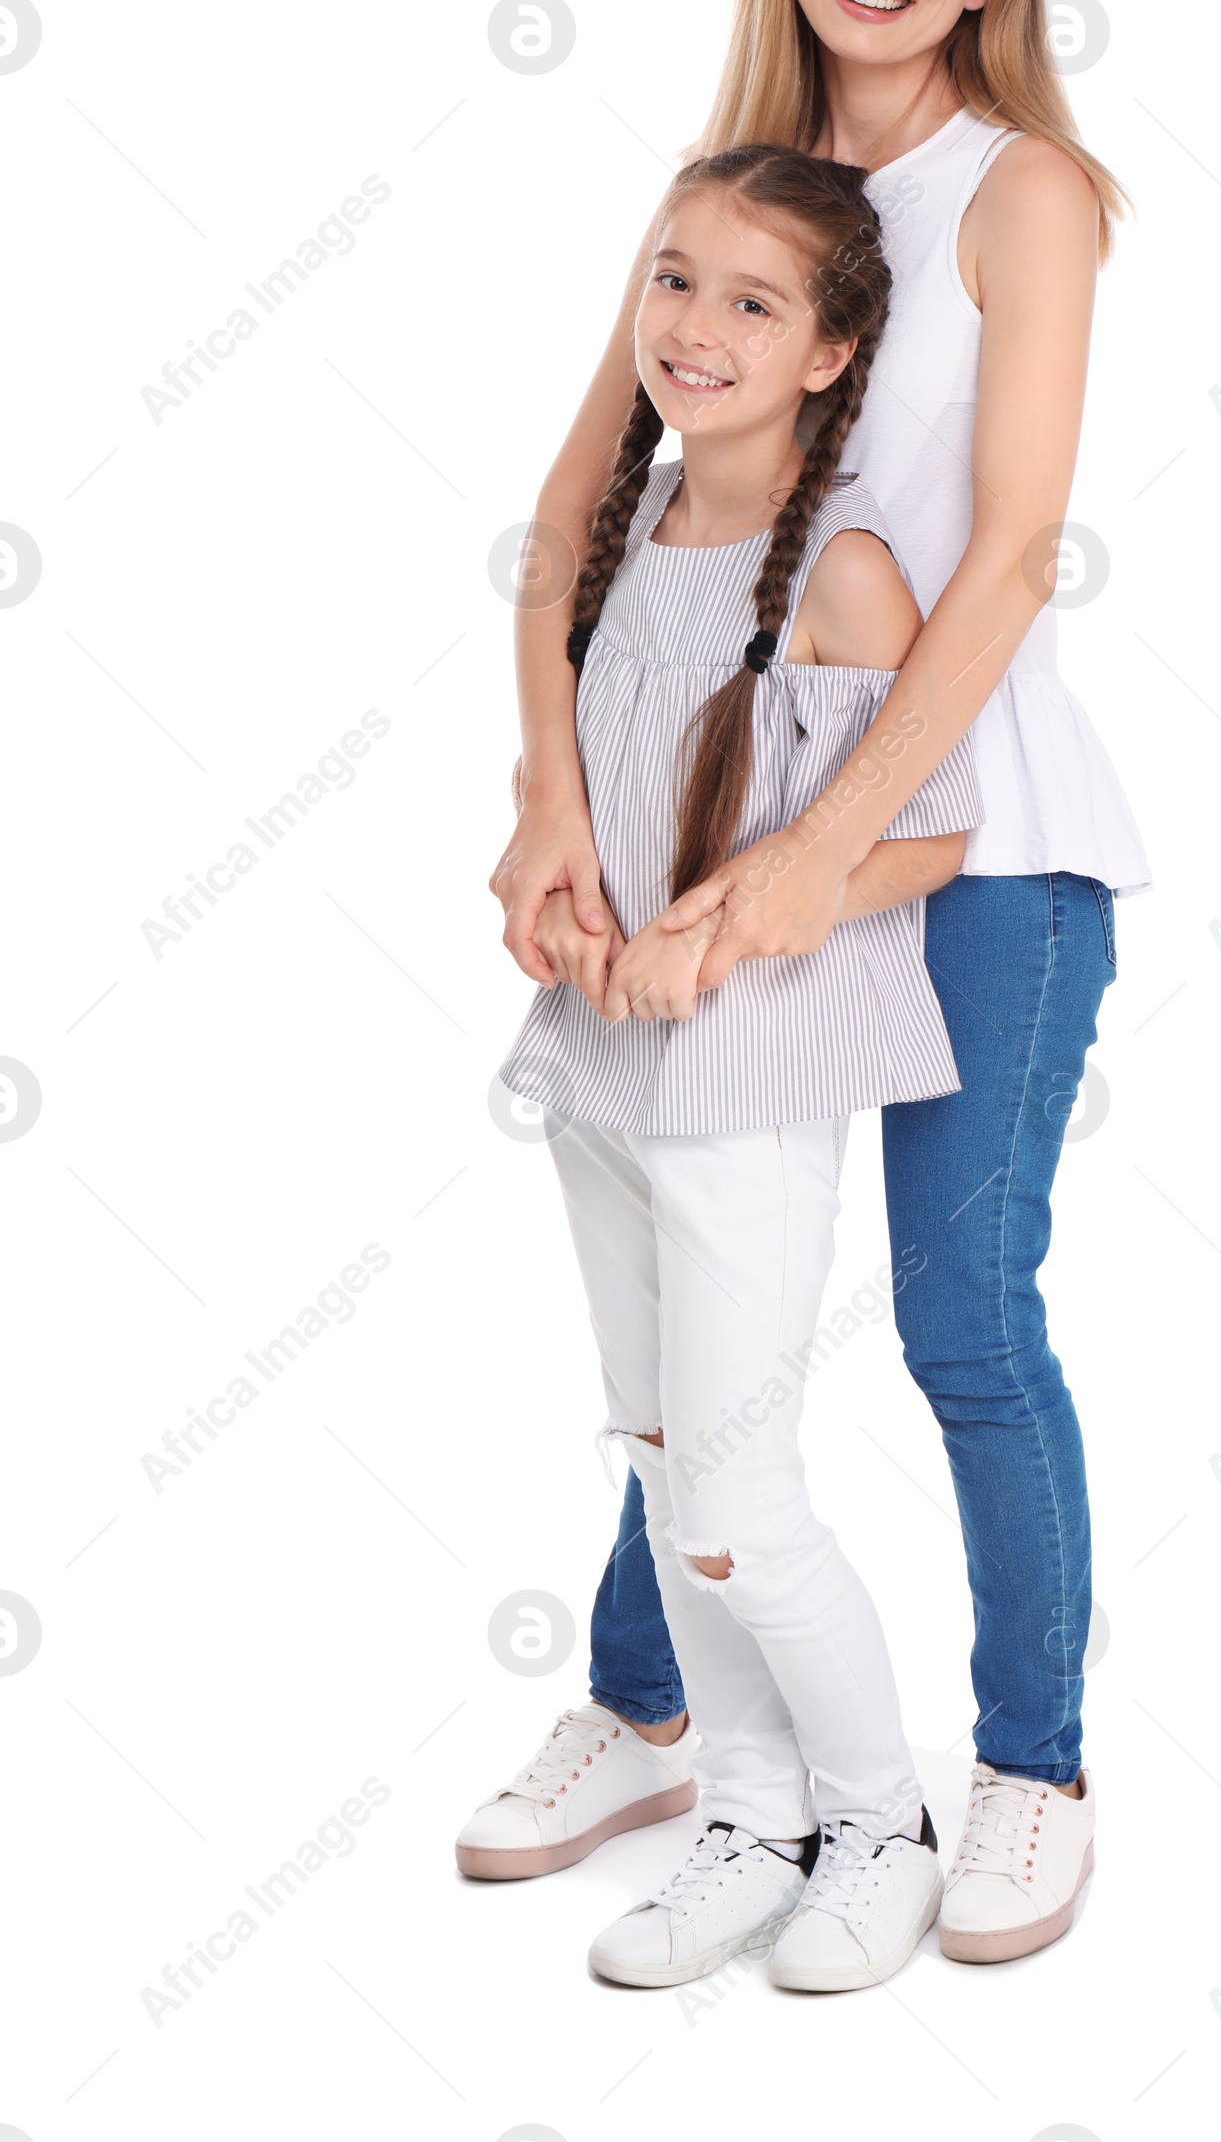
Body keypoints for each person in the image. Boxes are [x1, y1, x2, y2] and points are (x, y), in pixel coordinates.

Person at [467, 0, 1150, 1968]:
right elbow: (580, 512)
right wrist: (552, 804)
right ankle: (653, 1707)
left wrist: (823, 849)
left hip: (969, 843)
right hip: (708, 847)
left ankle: (1024, 1767)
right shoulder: (724, 191)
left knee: (960, 1313)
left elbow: (1016, 548)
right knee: (687, 1319)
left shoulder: (1021, 190)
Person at [472, 144, 982, 1991]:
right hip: (605, 1070)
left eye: (754, 302)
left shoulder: (838, 570)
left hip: (749, 1079)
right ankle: (753, 1816)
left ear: (834, 350)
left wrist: (737, 916)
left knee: (746, 1505)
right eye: (675, 281)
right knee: (672, 1465)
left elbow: (928, 827)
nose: (695, 327)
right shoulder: (624, 533)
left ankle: (881, 1819)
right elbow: (589, 792)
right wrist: (564, 888)